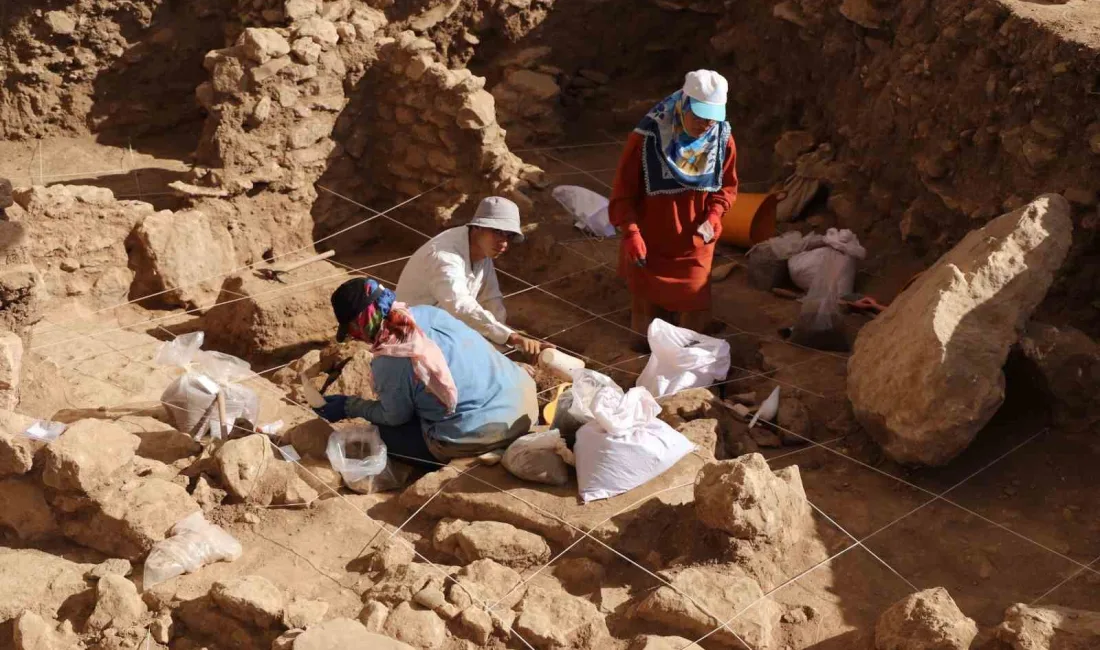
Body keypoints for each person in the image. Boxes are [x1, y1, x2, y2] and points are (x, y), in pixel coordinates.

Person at [312, 277, 539, 466]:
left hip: (481, 432)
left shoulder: (390, 358)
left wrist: (349, 405)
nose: (356, 337)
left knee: (380, 434)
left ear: (359, 322)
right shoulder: (430, 312)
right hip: (524, 403)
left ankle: (477, 451)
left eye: (352, 331)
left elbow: (395, 416)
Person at [609, 69, 738, 337]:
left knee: (694, 318)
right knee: (645, 332)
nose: (705, 125)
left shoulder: (721, 138)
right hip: (650, 239)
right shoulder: (647, 138)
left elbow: (727, 185)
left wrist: (715, 214)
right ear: (684, 104)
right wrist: (631, 232)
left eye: (712, 119)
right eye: (700, 116)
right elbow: (624, 191)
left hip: (695, 242)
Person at [395, 196, 549, 357]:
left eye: (508, 236)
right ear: (478, 227)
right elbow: (460, 305)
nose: (503, 243)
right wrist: (511, 337)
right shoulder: (444, 256)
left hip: (444, 330)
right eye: (497, 232)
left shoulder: (482, 250)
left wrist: (507, 345)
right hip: (410, 335)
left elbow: (491, 299)